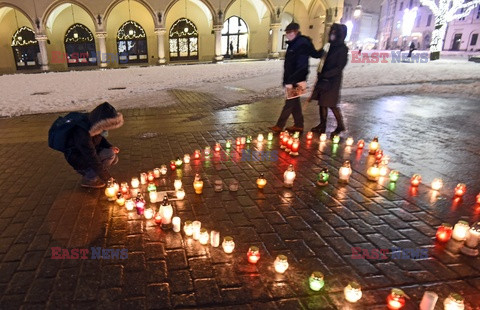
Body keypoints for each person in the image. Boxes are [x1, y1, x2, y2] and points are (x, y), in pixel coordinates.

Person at [269, 22, 318, 133]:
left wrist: (292, 80)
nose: (287, 34)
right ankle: (299, 125)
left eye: (289, 32)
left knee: (289, 103)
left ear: (295, 32)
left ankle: (279, 125)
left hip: (297, 79)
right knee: (294, 103)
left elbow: (301, 65)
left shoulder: (301, 44)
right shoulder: (294, 43)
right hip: (292, 78)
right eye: (286, 33)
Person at [64, 102, 124, 188]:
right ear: (100, 122)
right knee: (109, 155)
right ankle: (89, 179)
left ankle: (93, 173)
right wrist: (108, 178)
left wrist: (109, 146)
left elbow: (100, 138)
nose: (106, 129)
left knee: (114, 157)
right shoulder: (83, 133)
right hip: (77, 158)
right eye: (106, 126)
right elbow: (92, 157)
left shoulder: (93, 123)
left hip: (86, 154)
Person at [310, 23, 349, 138]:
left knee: (331, 104)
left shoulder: (342, 49)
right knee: (322, 103)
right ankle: (322, 124)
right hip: (323, 78)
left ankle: (340, 125)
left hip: (332, 81)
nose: (332, 35)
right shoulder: (328, 46)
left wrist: (326, 74)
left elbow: (339, 67)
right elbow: (318, 54)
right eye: (331, 32)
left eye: (334, 33)